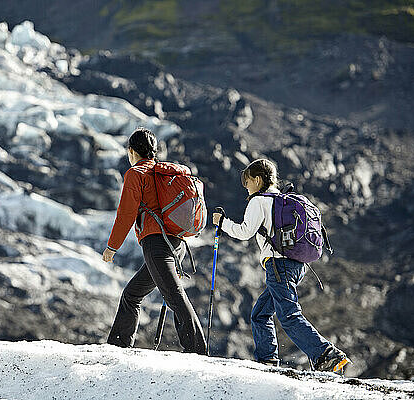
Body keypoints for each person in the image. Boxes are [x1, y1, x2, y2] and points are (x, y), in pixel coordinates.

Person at [212, 159, 348, 372]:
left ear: (257, 180)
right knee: (260, 314)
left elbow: (244, 232)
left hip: (278, 266)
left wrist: (222, 222)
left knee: (289, 315)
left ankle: (326, 355)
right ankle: (267, 360)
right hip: (297, 265)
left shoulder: (259, 201)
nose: (246, 187)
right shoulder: (282, 199)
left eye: (247, 182)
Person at [102, 128, 207, 355]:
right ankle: (117, 347)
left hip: (157, 245)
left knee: (174, 296)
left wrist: (112, 247)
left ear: (131, 151)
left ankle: (198, 351)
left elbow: (126, 214)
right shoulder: (163, 173)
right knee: (132, 295)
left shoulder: (136, 174)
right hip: (176, 244)